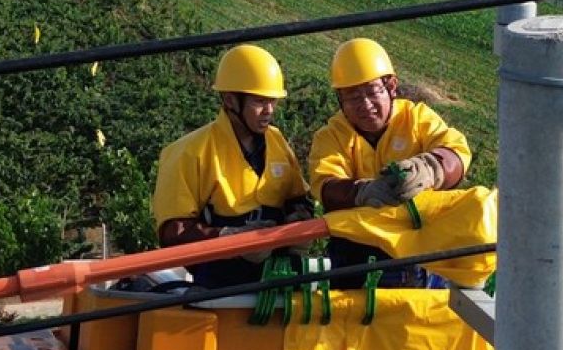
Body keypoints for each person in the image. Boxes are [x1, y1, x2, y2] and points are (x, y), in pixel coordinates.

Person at [309, 38, 470, 287]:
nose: (365, 105)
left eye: (372, 91)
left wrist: (430, 168)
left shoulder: (417, 119)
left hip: (420, 256)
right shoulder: (331, 137)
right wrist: (362, 192)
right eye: (352, 96)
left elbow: (456, 152)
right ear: (340, 99)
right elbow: (325, 186)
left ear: (391, 86)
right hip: (355, 260)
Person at [152, 44, 313, 289]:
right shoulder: (190, 151)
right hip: (218, 283)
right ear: (230, 100)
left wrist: (299, 219)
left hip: (278, 279)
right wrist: (226, 238)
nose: (269, 111)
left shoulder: (277, 141)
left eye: (273, 102)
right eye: (260, 101)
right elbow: (173, 232)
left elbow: (298, 198)